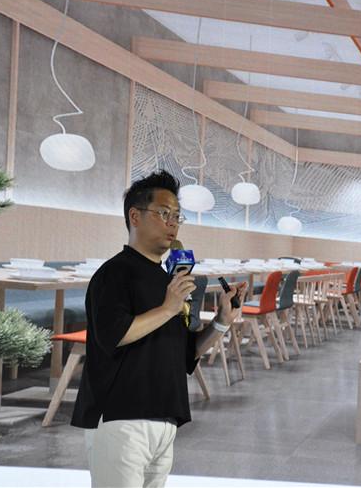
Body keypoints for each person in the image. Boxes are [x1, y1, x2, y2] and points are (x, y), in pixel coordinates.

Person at [71, 170, 247, 488]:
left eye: (177, 216)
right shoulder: (114, 273)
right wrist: (168, 307)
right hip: (121, 417)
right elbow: (115, 334)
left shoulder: (168, 280)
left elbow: (186, 354)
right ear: (134, 216)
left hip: (164, 417)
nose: (173, 223)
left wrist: (222, 321)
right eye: (164, 214)